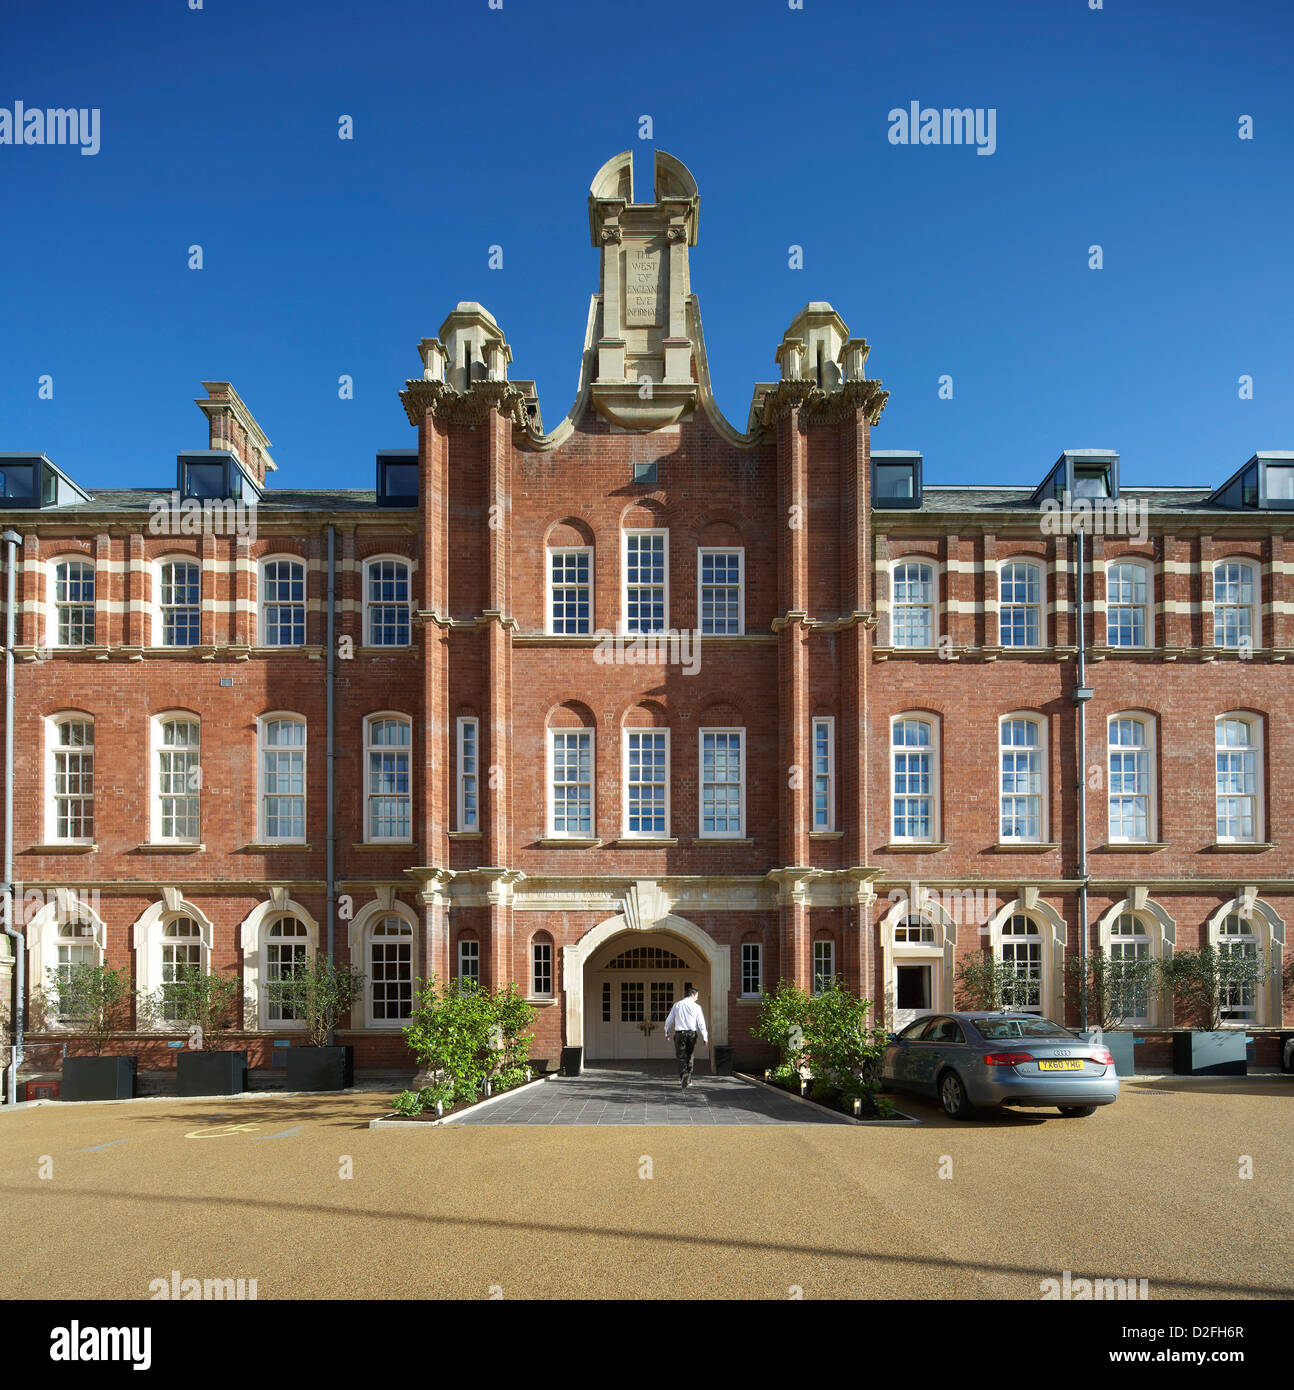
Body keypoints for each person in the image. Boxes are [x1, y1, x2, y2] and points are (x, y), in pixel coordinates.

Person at [663, 985, 709, 1089]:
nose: (697, 998)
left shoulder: (677, 1005)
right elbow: (701, 1023)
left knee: (681, 1056)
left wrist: (667, 1032)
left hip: (680, 1034)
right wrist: (705, 1037)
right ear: (692, 995)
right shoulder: (697, 1007)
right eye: (697, 996)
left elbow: (669, 1019)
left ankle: (683, 1075)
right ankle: (688, 1079)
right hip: (691, 1034)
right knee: (690, 1056)